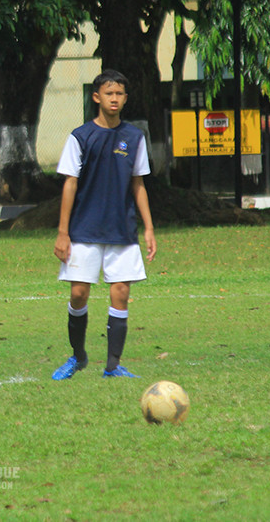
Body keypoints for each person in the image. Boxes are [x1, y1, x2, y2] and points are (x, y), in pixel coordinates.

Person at [51, 69, 157, 381]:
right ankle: (78, 356)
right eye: (108, 93)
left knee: (121, 293)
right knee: (79, 294)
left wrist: (148, 227)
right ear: (96, 97)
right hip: (84, 229)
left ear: (125, 98)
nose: (114, 98)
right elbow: (70, 184)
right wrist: (62, 232)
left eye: (119, 94)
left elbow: (138, 184)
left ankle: (112, 365)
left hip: (121, 229)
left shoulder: (134, 137)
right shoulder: (80, 136)